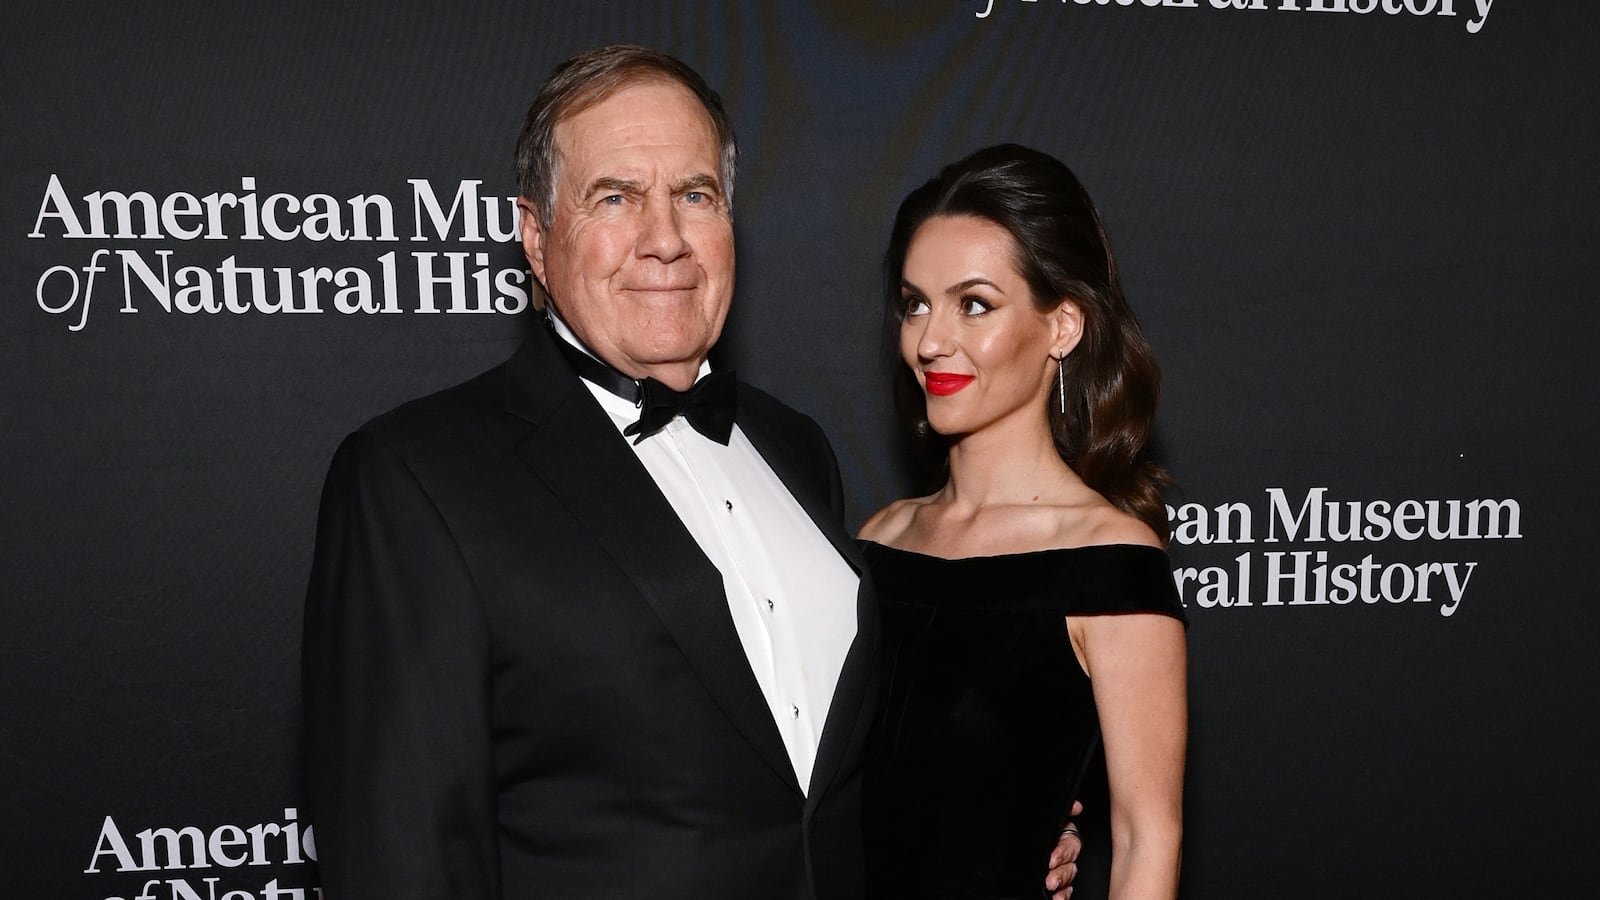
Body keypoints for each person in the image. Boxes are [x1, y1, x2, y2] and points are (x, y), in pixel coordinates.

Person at [302, 47, 1080, 899]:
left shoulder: (797, 450)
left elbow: (826, 785)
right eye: (616, 197)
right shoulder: (417, 476)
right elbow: (402, 853)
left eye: (696, 196)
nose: (665, 239)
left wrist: (988, 822)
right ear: (535, 235)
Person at [859, 144, 1188, 899]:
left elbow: (1146, 842)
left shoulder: (1111, 565)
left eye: (974, 304)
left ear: (1063, 326)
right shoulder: (879, 541)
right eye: (915, 302)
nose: (930, 340)